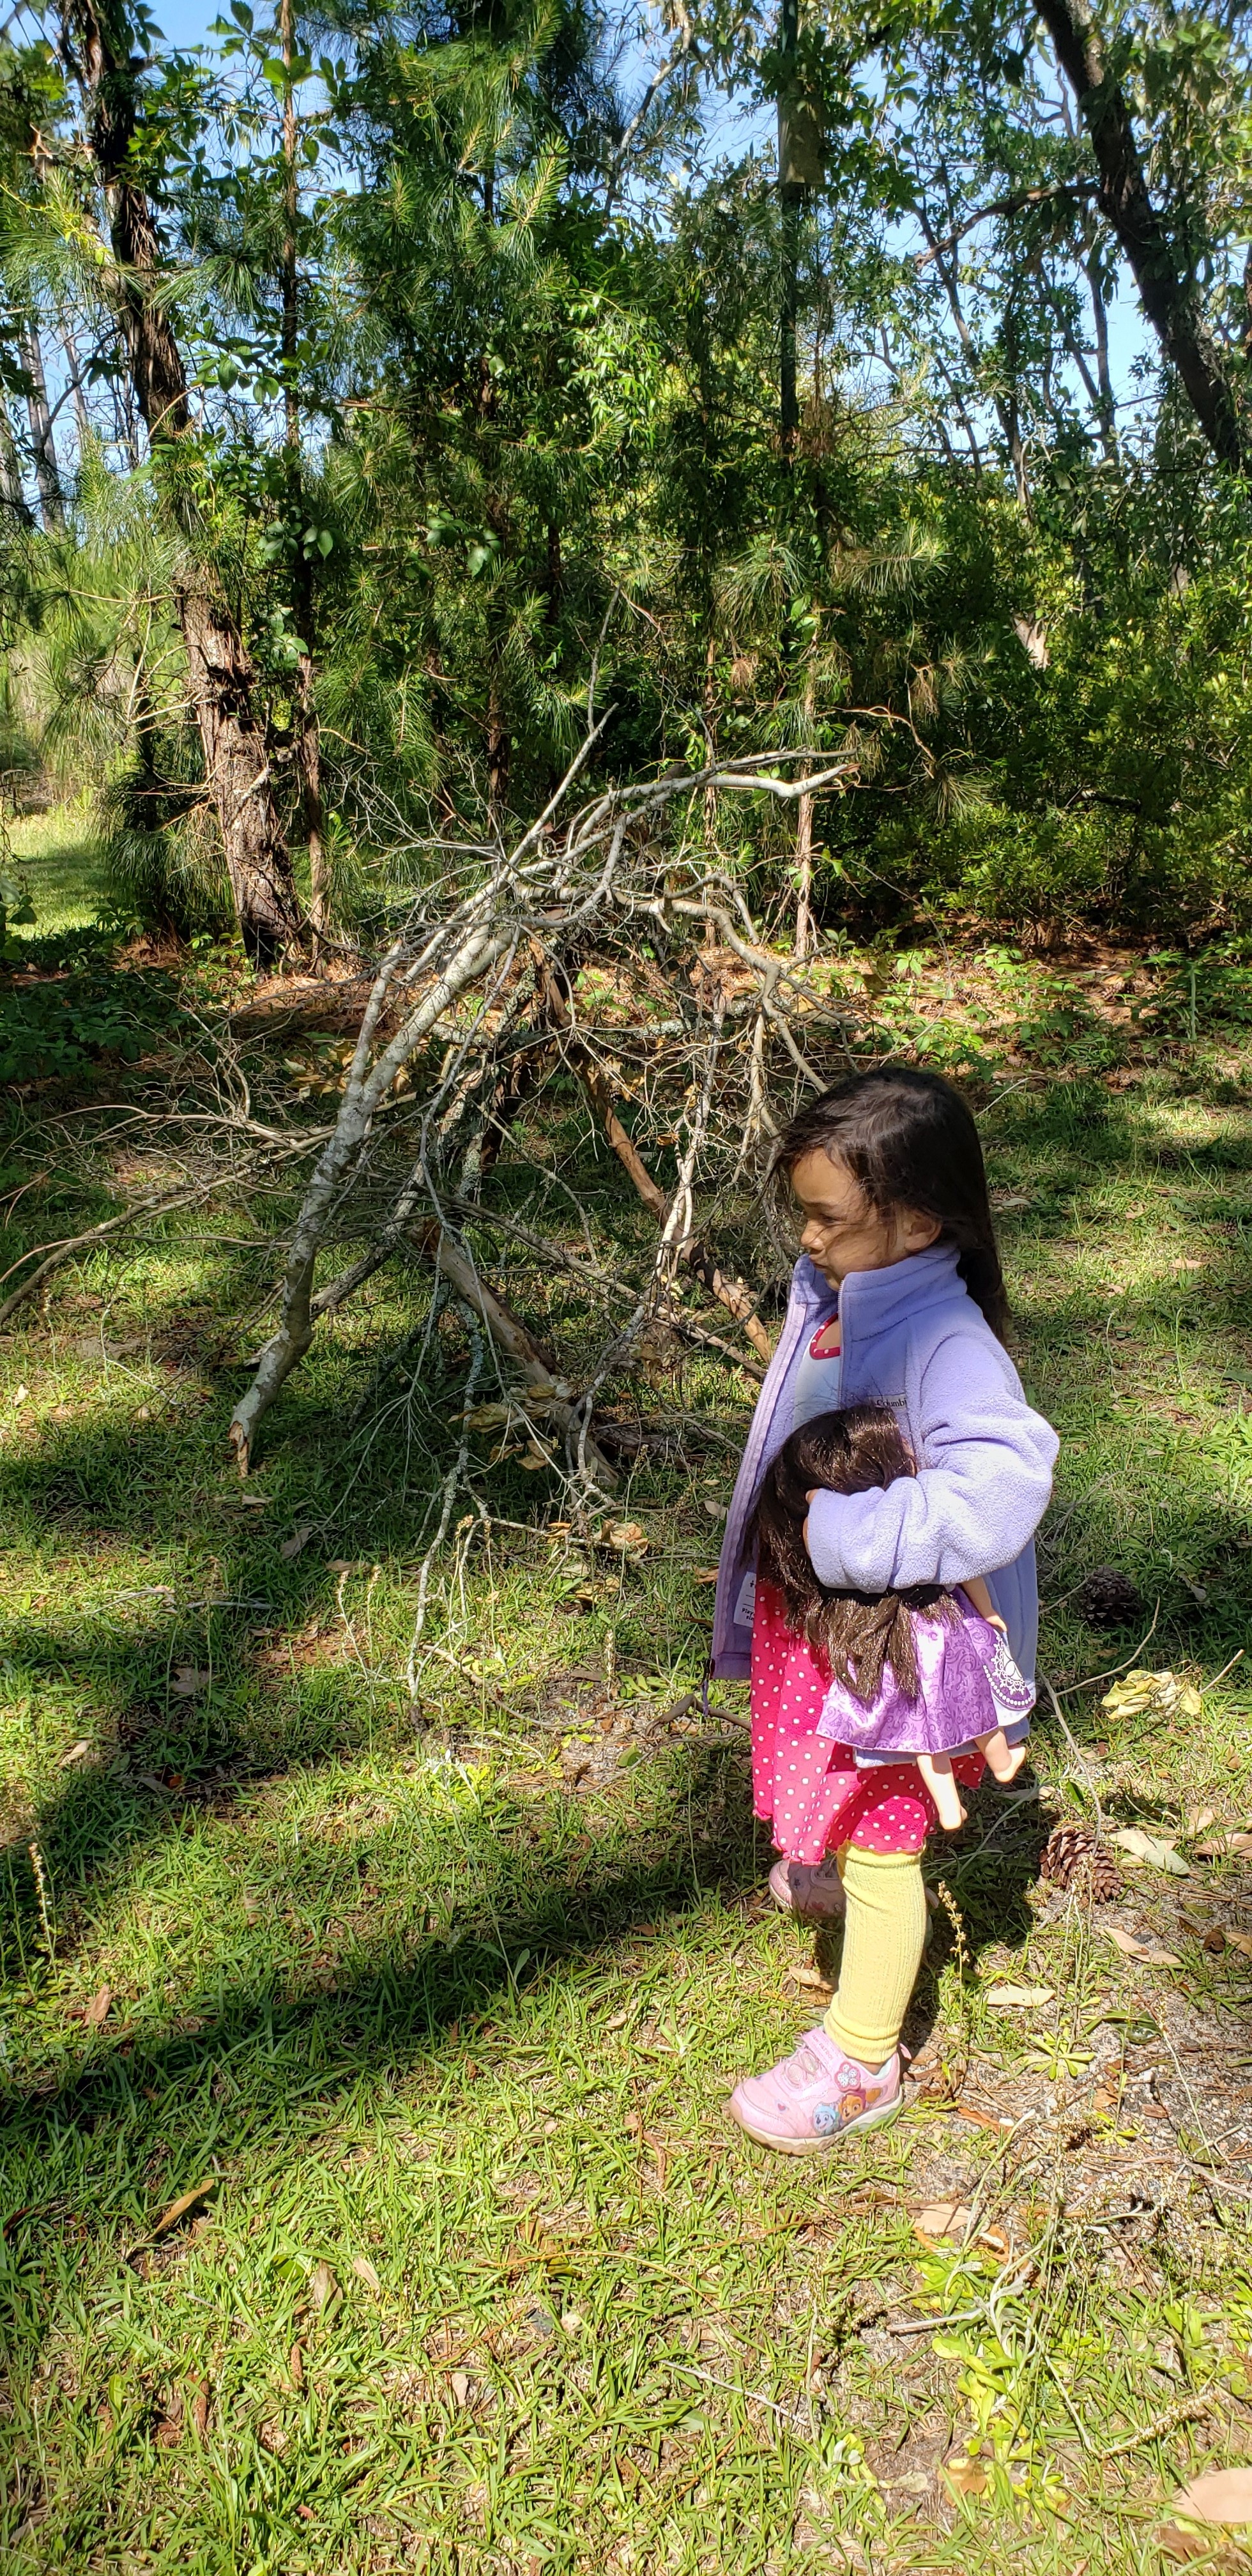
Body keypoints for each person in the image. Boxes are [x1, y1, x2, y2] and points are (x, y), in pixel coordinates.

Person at [711, 1066, 1057, 2152]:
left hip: (889, 1660)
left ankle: (863, 2057)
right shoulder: (851, 1289)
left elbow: (999, 1483)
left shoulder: (945, 1342)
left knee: (887, 1844)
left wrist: (848, 1541)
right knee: (832, 1785)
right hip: (830, 1631)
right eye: (802, 1211)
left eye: (826, 1215)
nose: (806, 1238)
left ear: (916, 1218)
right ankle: (827, 1856)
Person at [752, 1404, 1035, 1836]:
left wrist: (823, 1510)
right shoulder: (915, 1519)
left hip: (903, 1641)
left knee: (924, 1734)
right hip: (941, 1628)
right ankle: (1000, 1762)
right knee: (973, 1705)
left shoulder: (851, 1534)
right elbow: (963, 1568)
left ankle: (951, 1805)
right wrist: (989, 1611)